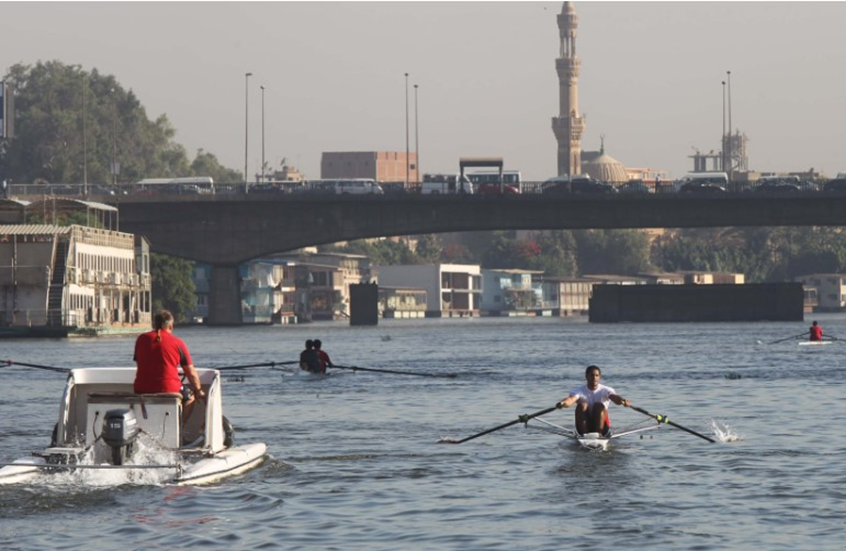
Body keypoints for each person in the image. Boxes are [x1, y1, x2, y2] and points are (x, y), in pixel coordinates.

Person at [133, 310, 205, 428]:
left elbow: (140, 363)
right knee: (190, 396)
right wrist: (199, 390)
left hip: (141, 389)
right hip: (169, 390)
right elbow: (191, 373)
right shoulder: (178, 343)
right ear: (171, 325)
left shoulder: (141, 339)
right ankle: (178, 427)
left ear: (153, 324)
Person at [556, 365, 629, 436]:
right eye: (591, 375)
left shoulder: (606, 390)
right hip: (584, 426)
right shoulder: (578, 390)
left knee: (598, 405)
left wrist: (622, 401)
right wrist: (563, 403)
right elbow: (570, 400)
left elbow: (615, 398)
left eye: (597, 375)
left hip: (602, 427)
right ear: (586, 377)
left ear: (599, 377)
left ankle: (599, 434)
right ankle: (585, 435)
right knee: (582, 405)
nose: (594, 378)